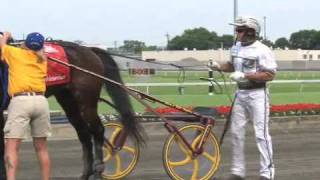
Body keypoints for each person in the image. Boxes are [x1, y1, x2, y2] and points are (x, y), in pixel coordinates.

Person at [210, 16, 277, 180]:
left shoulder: (262, 50)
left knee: (261, 135)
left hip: (257, 95)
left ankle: (267, 174)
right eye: (237, 30)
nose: (236, 33)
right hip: (240, 94)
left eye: (239, 30)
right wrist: (218, 66)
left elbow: (269, 74)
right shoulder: (236, 47)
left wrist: (246, 75)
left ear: (251, 32)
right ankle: (238, 172)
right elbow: (231, 66)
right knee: (236, 132)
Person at [0, 31, 51, 180]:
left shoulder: (14, 53)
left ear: (25, 44)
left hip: (21, 102)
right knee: (42, 148)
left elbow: (1, 46)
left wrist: (6, 36)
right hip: (41, 102)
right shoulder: (43, 60)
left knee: (12, 147)